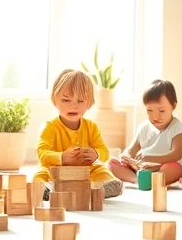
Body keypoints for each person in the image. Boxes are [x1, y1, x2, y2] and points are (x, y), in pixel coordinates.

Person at [34, 69, 122, 197]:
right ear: (55, 100)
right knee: (41, 173)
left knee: (101, 169)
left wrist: (96, 154)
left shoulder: (91, 127)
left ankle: (101, 187)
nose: (74, 106)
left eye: (80, 101)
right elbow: (42, 154)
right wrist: (62, 157)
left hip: (84, 171)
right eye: (66, 100)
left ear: (89, 102)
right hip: (56, 170)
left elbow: (104, 152)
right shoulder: (49, 127)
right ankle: (47, 189)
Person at [107, 80, 182, 186]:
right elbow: (131, 150)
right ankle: (138, 180)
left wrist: (152, 159)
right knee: (112, 163)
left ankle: (153, 180)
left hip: (166, 165)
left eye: (161, 111)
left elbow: (177, 153)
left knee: (171, 169)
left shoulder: (177, 127)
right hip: (143, 167)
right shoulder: (143, 128)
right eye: (149, 110)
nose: (155, 116)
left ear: (173, 106)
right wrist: (127, 158)